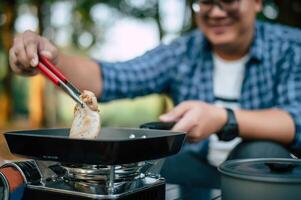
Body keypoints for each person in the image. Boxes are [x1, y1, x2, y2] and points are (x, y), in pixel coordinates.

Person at [9, 0, 301, 199]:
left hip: (257, 174)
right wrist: (53, 59)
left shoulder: (289, 46)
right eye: (205, 2)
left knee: (260, 150)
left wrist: (223, 118)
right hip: (198, 167)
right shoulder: (183, 51)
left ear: (257, 3)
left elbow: (295, 119)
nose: (216, 12)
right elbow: (112, 76)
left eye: (227, 1)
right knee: (146, 172)